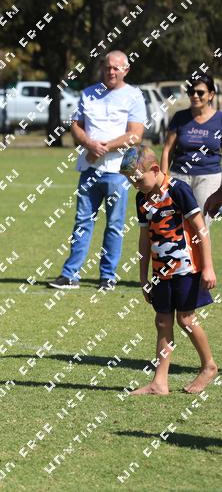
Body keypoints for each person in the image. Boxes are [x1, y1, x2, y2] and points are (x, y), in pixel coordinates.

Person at [119, 145, 218, 395]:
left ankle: (208, 365)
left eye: (138, 180)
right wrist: (143, 277)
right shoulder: (142, 198)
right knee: (162, 320)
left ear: (154, 169)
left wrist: (208, 267)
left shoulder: (178, 190)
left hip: (187, 269)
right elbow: (144, 239)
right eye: (131, 182)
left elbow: (200, 228)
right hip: (160, 272)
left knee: (186, 319)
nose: (135, 186)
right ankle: (159, 383)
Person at [48, 51, 146, 291]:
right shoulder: (89, 93)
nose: (111, 71)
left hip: (118, 172)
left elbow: (136, 134)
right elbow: (76, 126)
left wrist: (104, 148)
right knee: (82, 222)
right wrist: (89, 144)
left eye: (116, 68)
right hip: (89, 169)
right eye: (107, 67)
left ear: (126, 70)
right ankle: (70, 275)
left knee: (114, 225)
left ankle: (107, 277)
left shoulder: (133, 96)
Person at [160, 73, 222, 226]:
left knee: (201, 226)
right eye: (191, 92)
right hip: (179, 177)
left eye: (200, 92)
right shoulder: (179, 117)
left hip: (208, 178)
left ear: (211, 95)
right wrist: (162, 180)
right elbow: (167, 149)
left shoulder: (219, 119)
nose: (195, 96)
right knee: (176, 225)